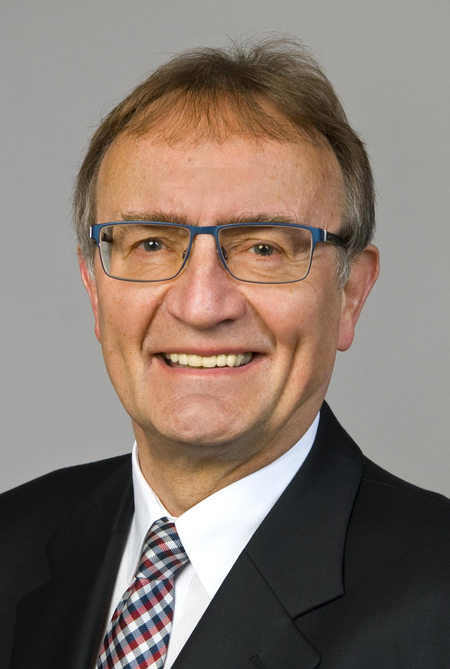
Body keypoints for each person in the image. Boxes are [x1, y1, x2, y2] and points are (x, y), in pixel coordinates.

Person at [1, 37, 449, 669]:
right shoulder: (12, 542)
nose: (202, 306)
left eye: (264, 248)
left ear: (350, 294)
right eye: (151, 244)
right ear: (95, 289)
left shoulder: (436, 602)